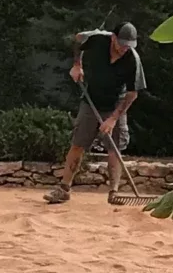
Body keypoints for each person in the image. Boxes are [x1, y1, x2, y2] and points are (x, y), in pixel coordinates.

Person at [44, 22, 145, 207]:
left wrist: (113, 119)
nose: (124, 49)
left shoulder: (133, 59)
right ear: (113, 38)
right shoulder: (98, 40)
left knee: (115, 148)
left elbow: (132, 94)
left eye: (128, 45)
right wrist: (77, 65)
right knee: (78, 144)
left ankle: (114, 192)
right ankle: (64, 189)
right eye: (121, 44)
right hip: (91, 101)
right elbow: (78, 40)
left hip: (117, 104)